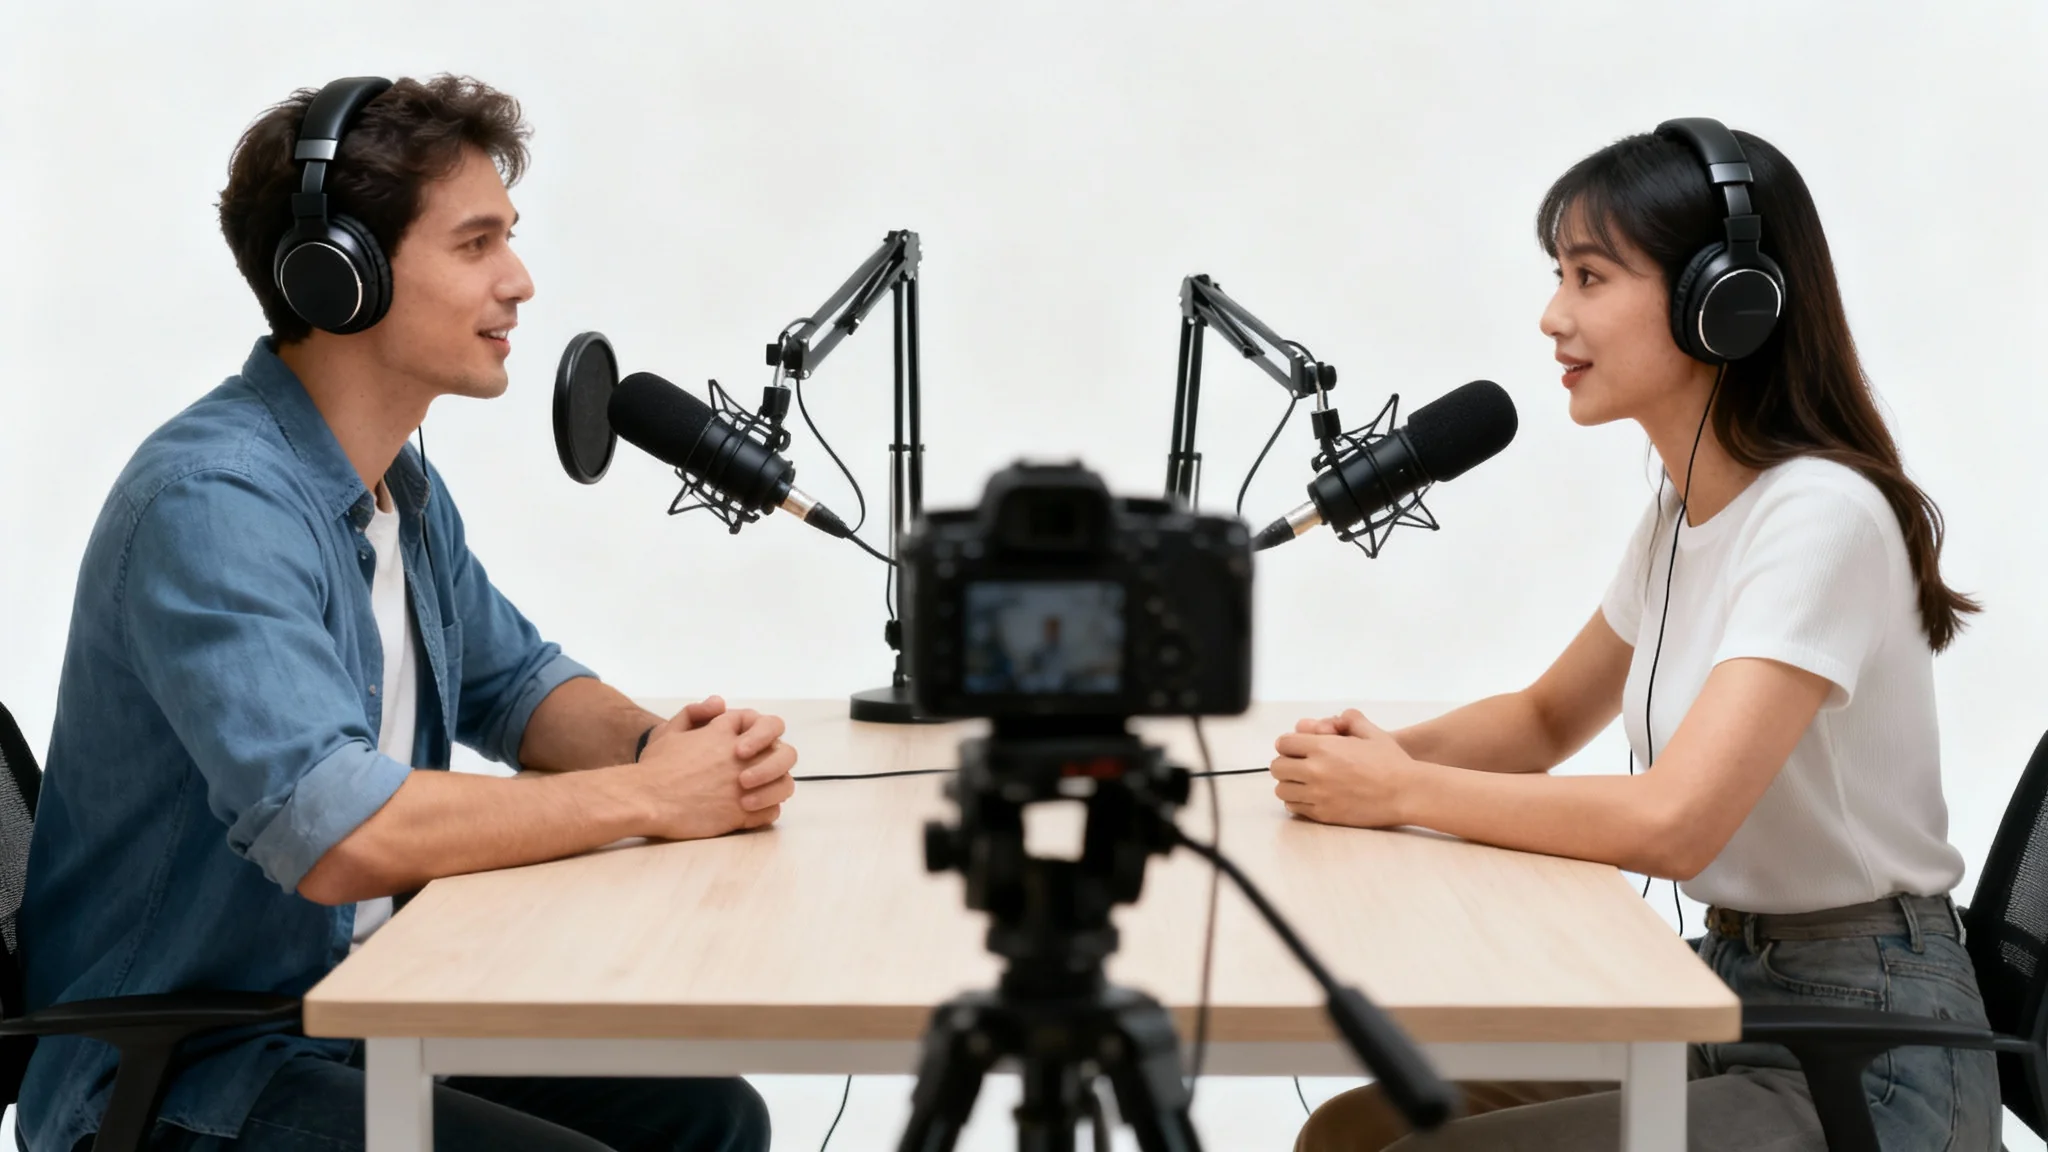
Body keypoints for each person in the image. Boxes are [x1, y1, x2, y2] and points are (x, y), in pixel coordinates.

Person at [18, 76, 792, 1152]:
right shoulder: (214, 504)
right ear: (341, 277)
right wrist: (649, 798)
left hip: (353, 1018)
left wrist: (675, 750)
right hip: (184, 1078)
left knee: (707, 1118)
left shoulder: (396, 491)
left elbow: (515, 688)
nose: (519, 283)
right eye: (475, 245)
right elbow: (337, 831)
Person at [1275, 119, 1999, 1150]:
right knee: (1358, 1129)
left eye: (1587, 277)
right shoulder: (1684, 508)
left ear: (1723, 302)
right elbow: (1538, 719)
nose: (1550, 316)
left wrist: (1401, 792)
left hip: (1867, 1053)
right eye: (1556, 275)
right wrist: (1341, 761)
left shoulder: (1818, 517)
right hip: (1732, 995)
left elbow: (1674, 823)